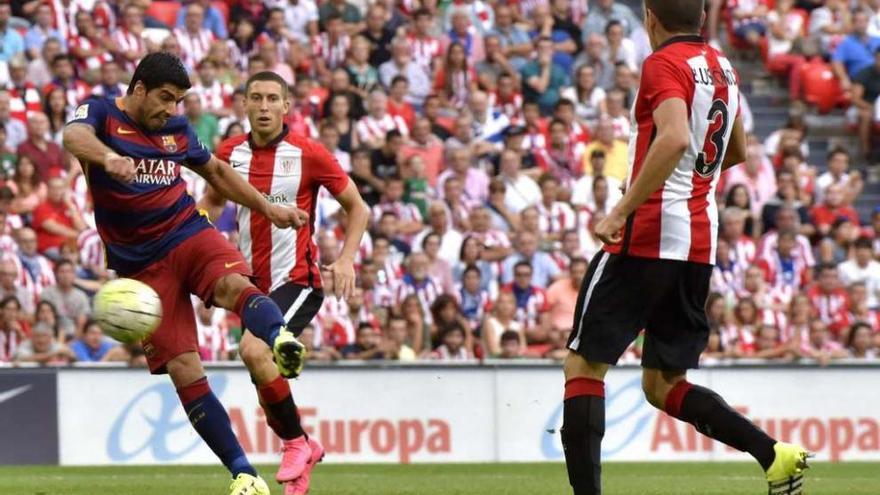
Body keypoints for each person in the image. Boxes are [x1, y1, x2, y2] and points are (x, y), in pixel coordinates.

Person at [560, 3, 809, 495]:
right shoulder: (723, 65)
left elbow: (673, 137)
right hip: (697, 242)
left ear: (650, 17)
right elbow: (734, 150)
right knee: (661, 384)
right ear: (699, 18)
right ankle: (773, 455)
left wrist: (620, 211)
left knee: (584, 365)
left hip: (649, 232)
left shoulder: (662, 63)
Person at [63, 53, 312, 495]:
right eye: (164, 98)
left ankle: (280, 338)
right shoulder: (101, 113)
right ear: (138, 88)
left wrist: (267, 207)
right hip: (140, 266)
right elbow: (73, 135)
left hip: (187, 232)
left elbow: (214, 171)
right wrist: (106, 158)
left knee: (235, 285)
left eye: (178, 101)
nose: (170, 110)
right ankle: (244, 474)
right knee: (183, 367)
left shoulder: (175, 130)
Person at [201, 70, 369, 495]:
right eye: (255, 98)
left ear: (286, 106)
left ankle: (296, 443)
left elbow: (358, 207)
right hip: (249, 284)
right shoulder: (228, 153)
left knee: (254, 349)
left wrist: (346, 259)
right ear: (243, 104)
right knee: (260, 365)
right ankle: (302, 451)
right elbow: (212, 202)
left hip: (297, 279)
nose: (262, 106)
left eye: (271, 98)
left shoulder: (309, 154)